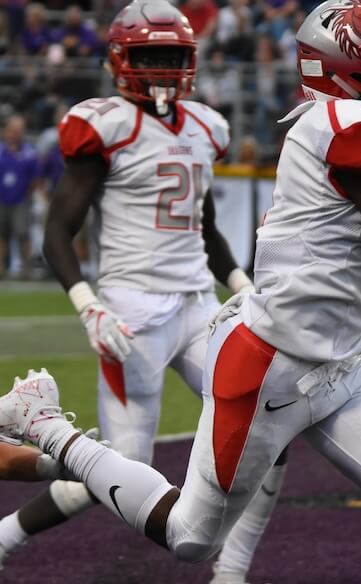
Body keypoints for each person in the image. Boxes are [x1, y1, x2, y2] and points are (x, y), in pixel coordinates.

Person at [0, 1, 361, 583]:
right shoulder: (348, 126)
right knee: (189, 538)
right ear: (355, 69)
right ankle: (48, 426)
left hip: (337, 363)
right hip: (269, 366)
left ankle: (231, 576)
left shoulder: (349, 124)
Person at [0, 4, 284, 584]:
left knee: (271, 415)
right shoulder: (105, 124)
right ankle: (6, 533)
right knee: (122, 471)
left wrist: (245, 288)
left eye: (173, 57)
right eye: (149, 56)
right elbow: (58, 231)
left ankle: (232, 574)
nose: (161, 69)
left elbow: (205, 230)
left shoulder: (207, 126)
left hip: (198, 306)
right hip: (131, 313)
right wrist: (88, 304)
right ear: (121, 61)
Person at [0, 115, 39, 279]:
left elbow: (36, 177)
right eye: (13, 130)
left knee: (23, 234)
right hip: (1, 198)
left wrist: (27, 194)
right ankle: (1, 269)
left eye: (18, 131)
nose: (15, 134)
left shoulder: (29, 152)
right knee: (1, 235)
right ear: (6, 131)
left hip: (21, 199)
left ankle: (27, 269)